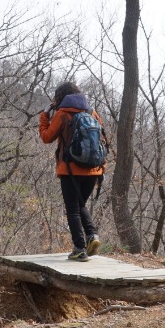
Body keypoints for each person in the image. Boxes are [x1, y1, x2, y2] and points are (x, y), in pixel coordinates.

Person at [39, 81, 106, 261]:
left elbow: (46, 137)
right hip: (93, 170)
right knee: (80, 205)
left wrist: (45, 115)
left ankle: (79, 249)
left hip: (70, 169)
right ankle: (92, 236)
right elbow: (102, 140)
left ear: (61, 97)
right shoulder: (91, 112)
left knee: (72, 210)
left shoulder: (62, 114)